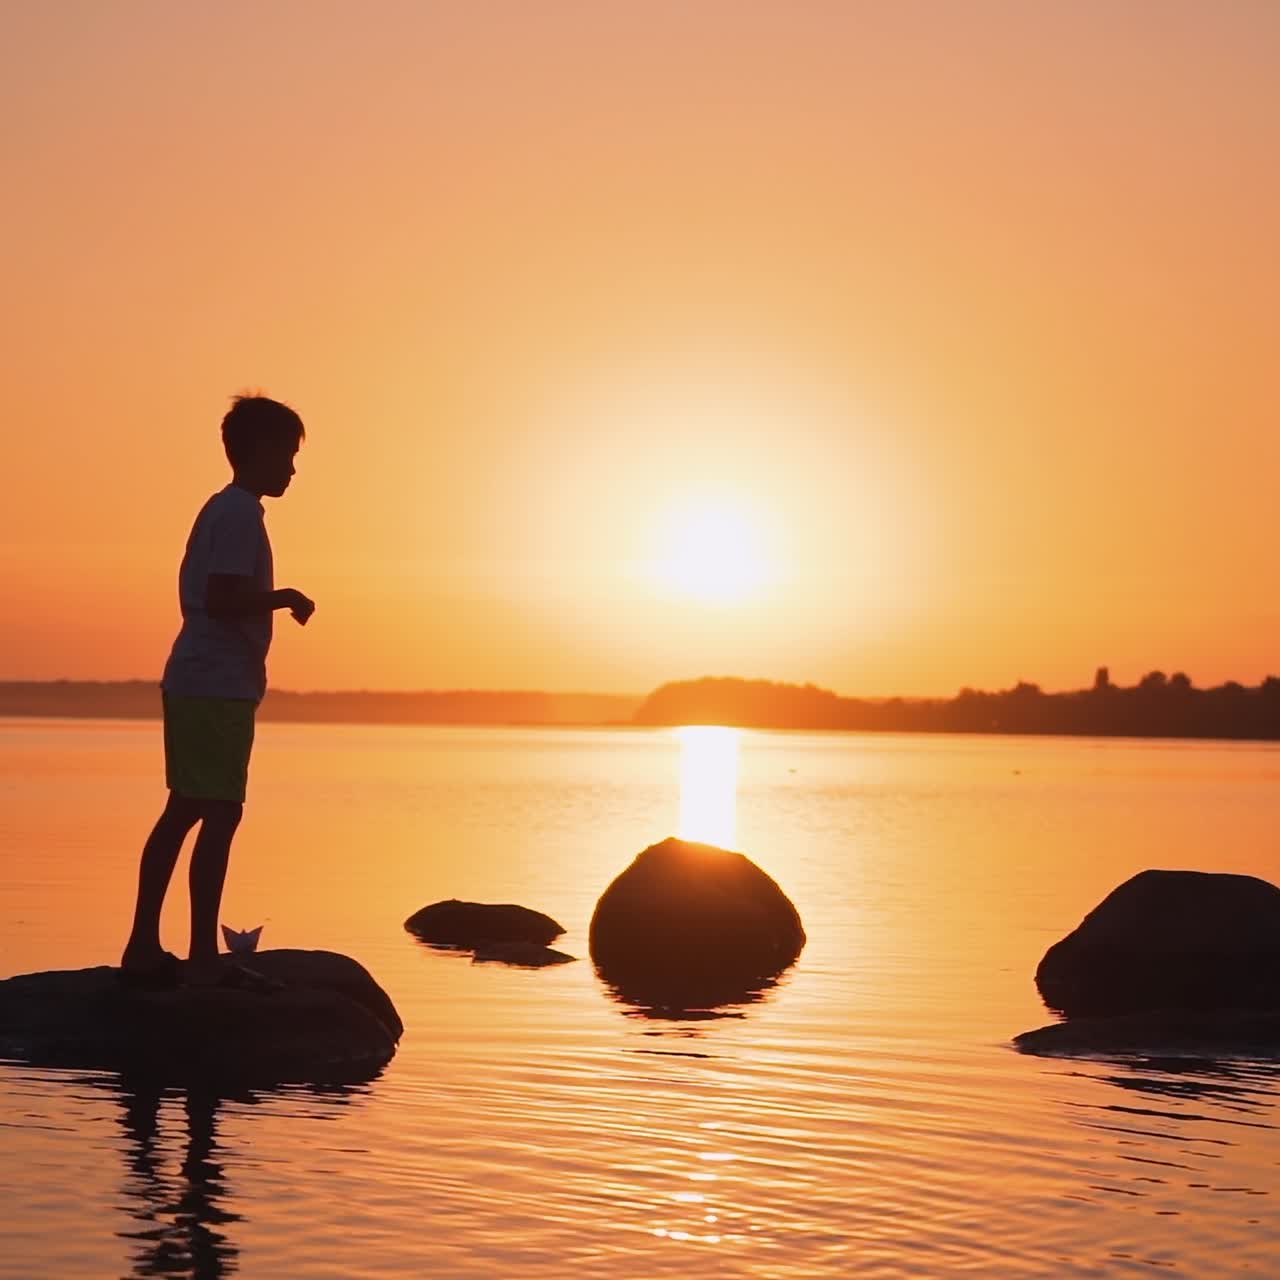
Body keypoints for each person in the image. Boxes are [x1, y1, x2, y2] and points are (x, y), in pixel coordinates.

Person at [120, 394, 315, 989]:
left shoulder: (232, 511)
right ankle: (193, 952)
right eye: (286, 454)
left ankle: (154, 946)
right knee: (212, 812)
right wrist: (285, 598)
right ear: (256, 451)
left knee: (192, 810)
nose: (292, 468)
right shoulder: (236, 515)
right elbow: (224, 597)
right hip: (212, 687)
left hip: (211, 685)